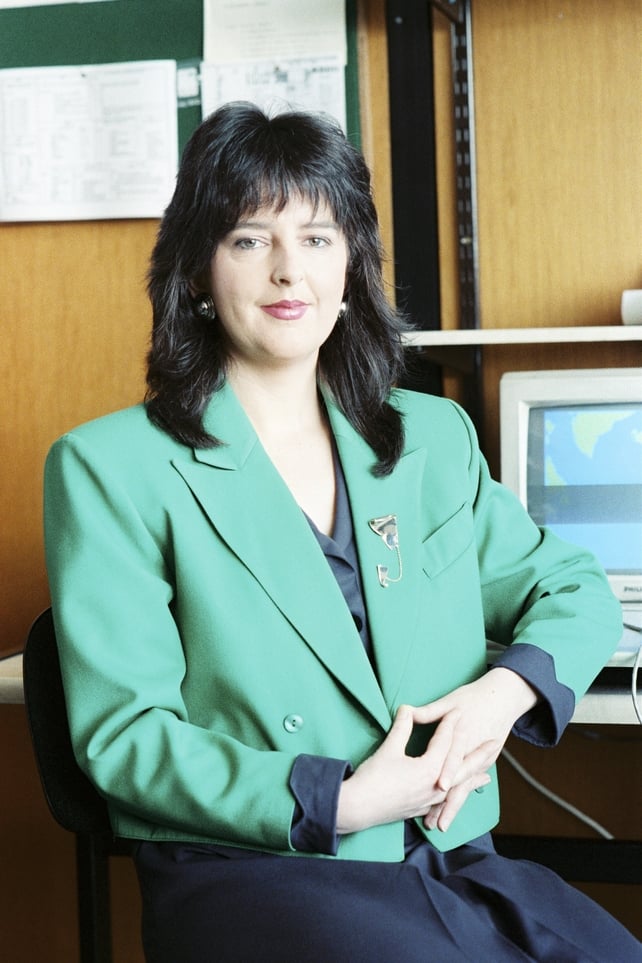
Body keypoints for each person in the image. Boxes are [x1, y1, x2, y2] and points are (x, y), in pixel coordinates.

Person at [44, 102, 641, 962]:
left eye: (319, 238)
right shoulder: (110, 466)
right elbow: (125, 736)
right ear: (197, 273)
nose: (290, 271)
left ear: (353, 266)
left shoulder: (430, 437)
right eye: (251, 239)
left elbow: (573, 588)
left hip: (446, 853)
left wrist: (501, 695)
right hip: (259, 868)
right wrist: (345, 798)